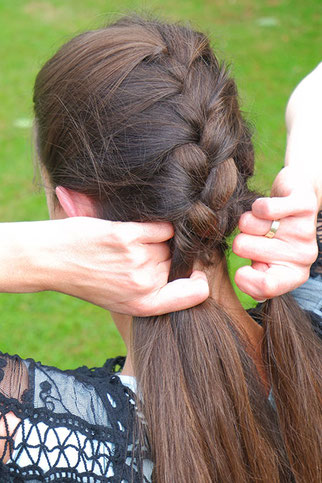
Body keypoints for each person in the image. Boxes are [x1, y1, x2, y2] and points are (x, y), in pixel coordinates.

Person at [0, 16, 320, 482]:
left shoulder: (36, 441)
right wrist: (305, 179)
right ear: (228, 176)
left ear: (71, 209)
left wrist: (24, 256)